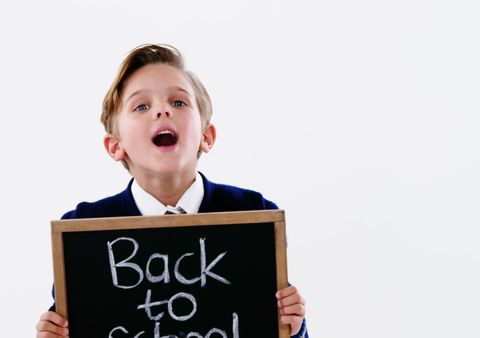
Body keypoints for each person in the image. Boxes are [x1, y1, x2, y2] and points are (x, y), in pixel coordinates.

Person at [36, 44, 308, 338]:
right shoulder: (82, 233)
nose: (163, 110)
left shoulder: (254, 215)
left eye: (179, 102)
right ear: (116, 146)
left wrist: (293, 328)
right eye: (141, 106)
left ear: (206, 136)